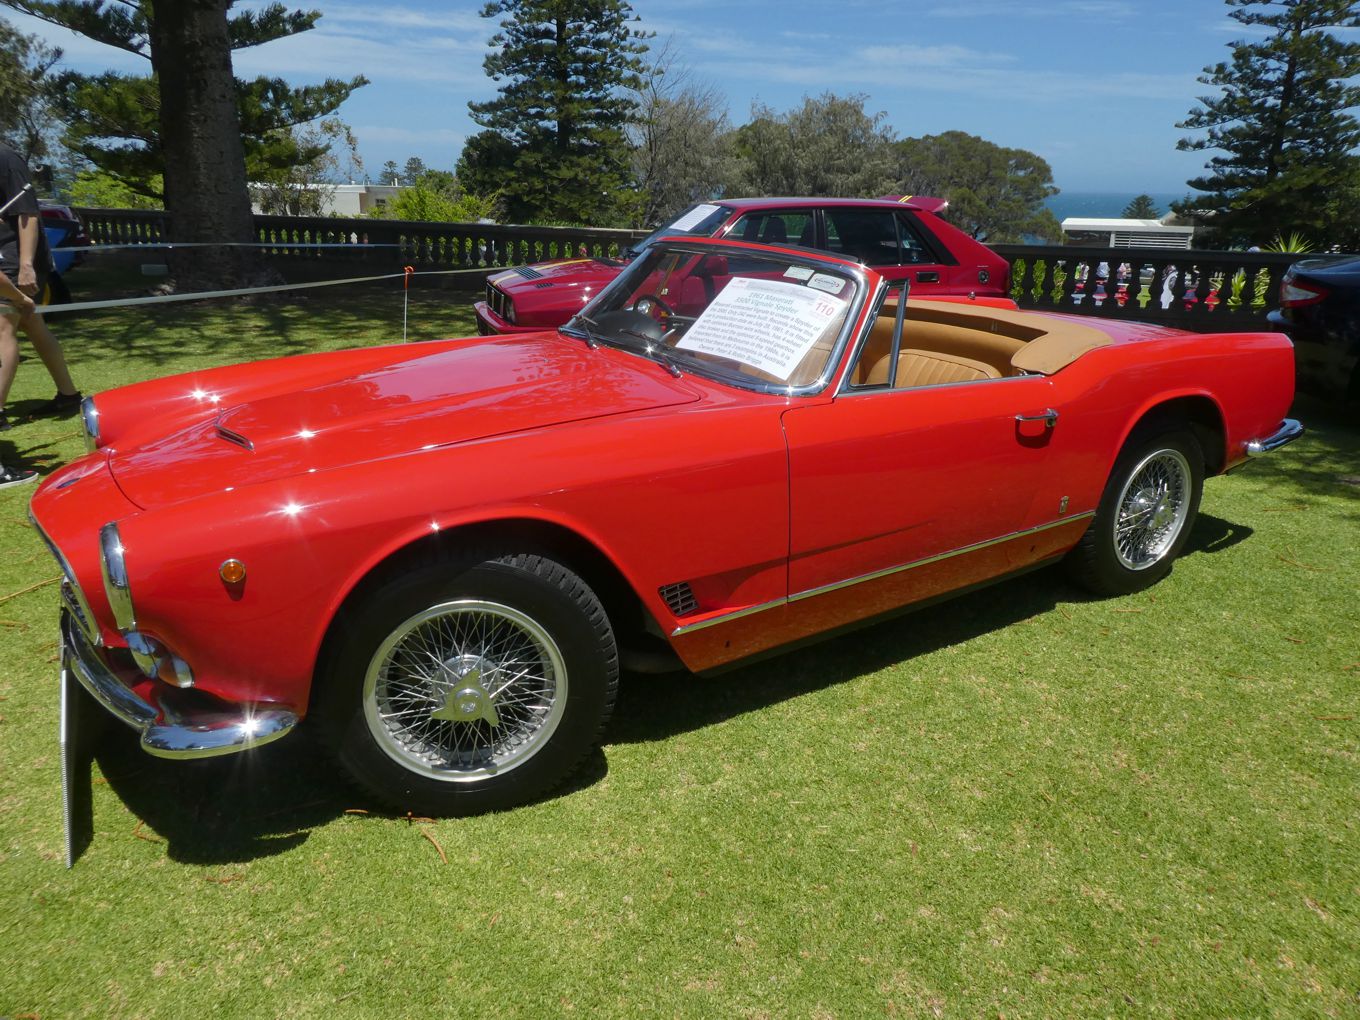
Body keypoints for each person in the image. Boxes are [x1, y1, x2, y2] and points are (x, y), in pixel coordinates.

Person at [0, 140, 81, 431]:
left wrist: (25, 265)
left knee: (3, 327)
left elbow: (28, 214)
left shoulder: (6, 158)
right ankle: (69, 395)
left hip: (12, 255)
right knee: (33, 323)